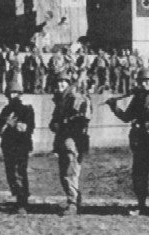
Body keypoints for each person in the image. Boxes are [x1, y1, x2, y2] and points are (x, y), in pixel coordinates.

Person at [107, 68, 149, 216]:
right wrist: (114, 107)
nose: (144, 84)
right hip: (142, 143)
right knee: (139, 174)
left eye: (147, 81)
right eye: (142, 81)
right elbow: (127, 117)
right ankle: (142, 205)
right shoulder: (138, 98)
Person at [49, 70, 91, 215]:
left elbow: (82, 120)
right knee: (64, 173)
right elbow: (54, 121)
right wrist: (55, 124)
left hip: (73, 141)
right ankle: (74, 199)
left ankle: (73, 203)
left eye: (63, 82)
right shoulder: (61, 100)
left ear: (68, 83)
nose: (60, 85)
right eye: (58, 82)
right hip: (63, 140)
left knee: (70, 172)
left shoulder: (75, 98)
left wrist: (64, 123)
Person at [0, 78, 35, 214]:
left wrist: (13, 124)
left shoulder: (26, 110)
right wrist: (6, 124)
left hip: (21, 146)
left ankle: (23, 202)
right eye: (10, 94)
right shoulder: (6, 110)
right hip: (8, 146)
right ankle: (19, 199)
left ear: (19, 94)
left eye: (15, 93)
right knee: (11, 174)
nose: (13, 96)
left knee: (19, 173)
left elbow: (27, 128)